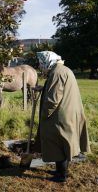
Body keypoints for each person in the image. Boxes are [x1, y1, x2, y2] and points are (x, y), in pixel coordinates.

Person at [35, 51, 90, 182]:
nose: (40, 65)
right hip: (67, 112)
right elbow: (58, 89)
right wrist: (43, 89)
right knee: (62, 142)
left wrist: (44, 115)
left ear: (48, 61)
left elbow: (53, 99)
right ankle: (60, 171)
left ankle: (62, 175)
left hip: (60, 115)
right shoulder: (62, 70)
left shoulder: (57, 73)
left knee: (57, 141)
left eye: (41, 63)